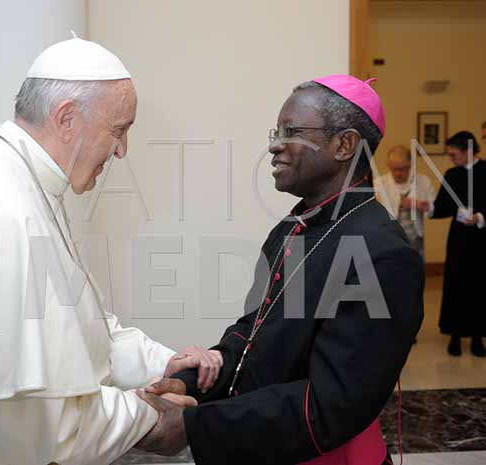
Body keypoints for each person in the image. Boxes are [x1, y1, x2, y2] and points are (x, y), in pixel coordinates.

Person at [0, 37, 222, 465]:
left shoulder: (16, 175)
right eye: (118, 130)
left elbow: (81, 323)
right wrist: (151, 416)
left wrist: (162, 362)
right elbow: (50, 426)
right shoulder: (7, 214)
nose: (122, 150)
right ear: (67, 119)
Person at [135, 75, 424, 465]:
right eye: (277, 132)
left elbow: (332, 404)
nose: (274, 145)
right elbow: (255, 334)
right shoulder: (294, 228)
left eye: (292, 132)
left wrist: (194, 426)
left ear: (344, 145)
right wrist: (192, 381)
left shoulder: (382, 252)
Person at [427, 131, 485, 357]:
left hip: (482, 238)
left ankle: (478, 337)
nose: (451, 158)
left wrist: (480, 217)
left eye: (454, 154)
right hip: (459, 238)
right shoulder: (452, 174)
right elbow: (443, 206)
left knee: (480, 286)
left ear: (468, 150)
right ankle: (455, 335)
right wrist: (428, 208)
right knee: (456, 283)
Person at [375, 145, 436, 259]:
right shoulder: (378, 184)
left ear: (409, 166)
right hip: (388, 239)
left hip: (415, 239)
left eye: (402, 169)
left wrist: (421, 205)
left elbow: (434, 210)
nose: (398, 173)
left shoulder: (423, 181)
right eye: (394, 169)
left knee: (415, 266)